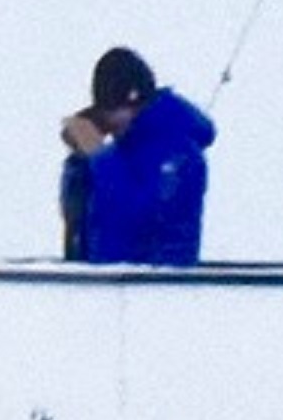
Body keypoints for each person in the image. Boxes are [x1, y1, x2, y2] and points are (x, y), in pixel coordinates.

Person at [54, 49, 215, 266]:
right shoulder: (115, 157)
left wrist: (97, 154)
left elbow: (140, 217)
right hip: (108, 289)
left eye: (111, 110)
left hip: (158, 291)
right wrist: (79, 164)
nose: (109, 123)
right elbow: (80, 226)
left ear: (134, 101)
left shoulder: (179, 153)